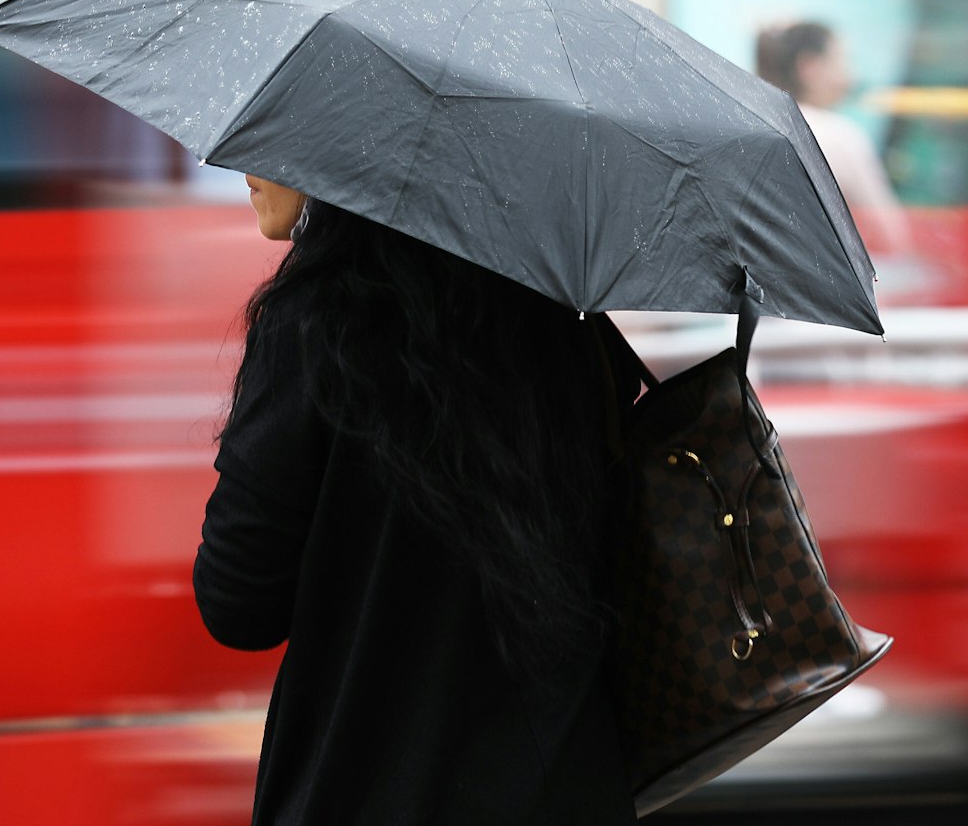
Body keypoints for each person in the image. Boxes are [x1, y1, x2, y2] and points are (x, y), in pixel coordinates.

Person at [192, 174, 639, 825]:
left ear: (342, 149)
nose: (245, 165)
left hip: (369, 791)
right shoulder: (561, 321)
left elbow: (237, 606)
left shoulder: (312, 324)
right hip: (563, 786)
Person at [756, 22, 912, 256]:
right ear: (809, 67)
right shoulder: (840, 135)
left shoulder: (754, 126)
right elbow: (891, 237)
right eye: (841, 61)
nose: (850, 76)